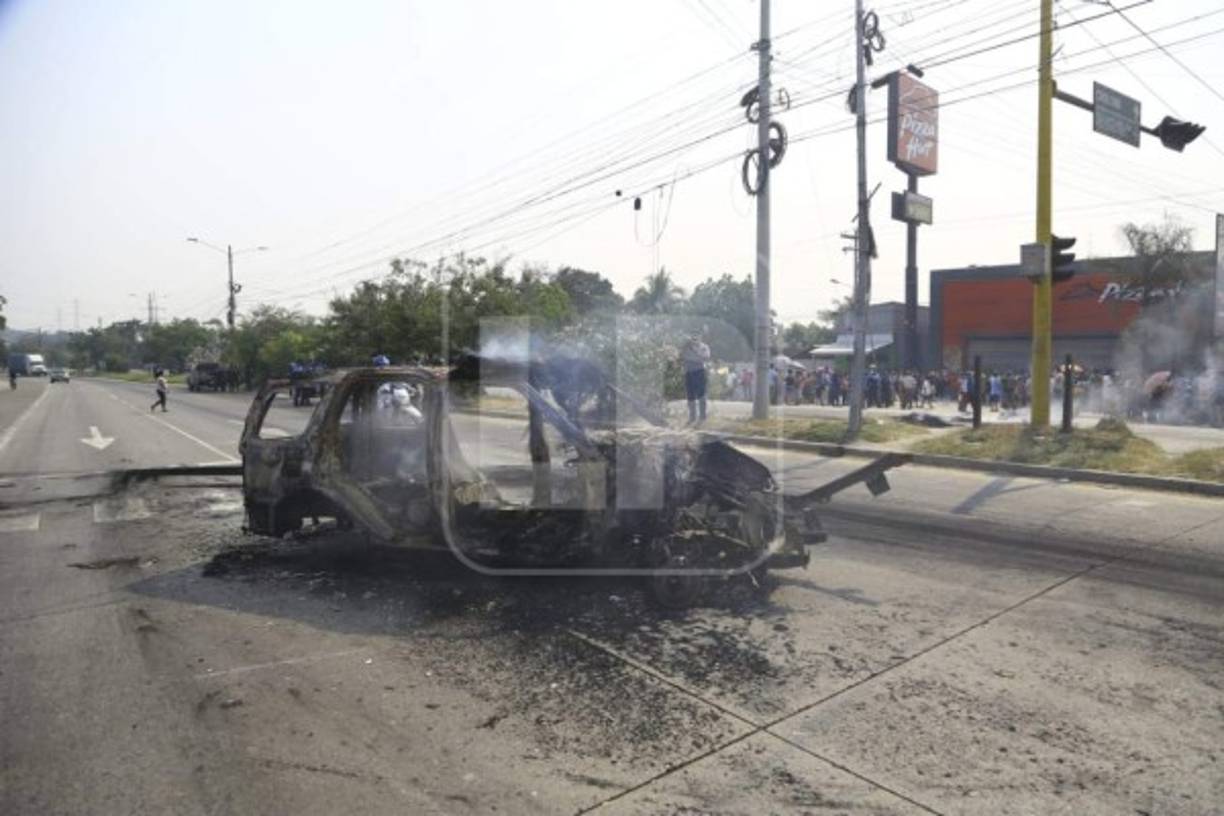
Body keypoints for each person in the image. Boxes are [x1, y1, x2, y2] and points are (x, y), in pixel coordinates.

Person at [680, 332, 710, 424]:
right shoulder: (686, 347)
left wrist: (695, 351)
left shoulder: (704, 347)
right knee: (690, 395)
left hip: (699, 372)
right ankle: (692, 417)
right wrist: (687, 347)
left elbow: (706, 357)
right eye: (693, 336)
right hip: (688, 372)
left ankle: (702, 417)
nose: (694, 338)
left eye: (697, 336)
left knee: (701, 394)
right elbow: (682, 356)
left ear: (700, 337)